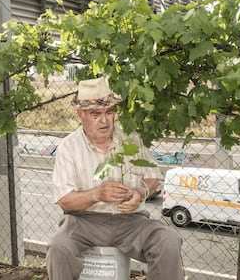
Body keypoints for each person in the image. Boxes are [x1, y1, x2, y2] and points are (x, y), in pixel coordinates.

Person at [47, 77, 184, 280]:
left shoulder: (130, 139)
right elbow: (65, 200)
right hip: (84, 222)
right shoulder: (69, 146)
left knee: (168, 240)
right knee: (59, 247)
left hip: (130, 221)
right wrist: (96, 194)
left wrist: (140, 192)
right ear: (80, 115)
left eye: (109, 112)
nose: (104, 120)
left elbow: (154, 176)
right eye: (95, 114)